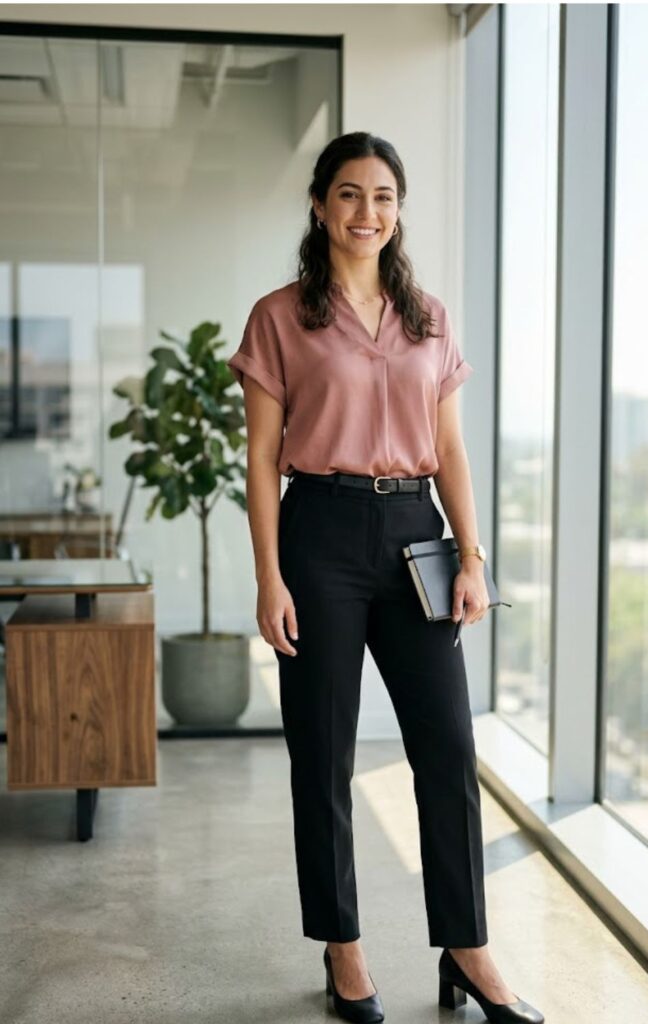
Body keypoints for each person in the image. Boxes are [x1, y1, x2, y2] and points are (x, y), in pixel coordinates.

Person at [227, 132, 544, 1024]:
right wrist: (268, 578)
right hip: (318, 534)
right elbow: (260, 460)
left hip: (414, 534)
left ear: (398, 212)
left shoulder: (427, 318)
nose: (366, 212)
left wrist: (471, 558)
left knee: (446, 748)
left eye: (383, 197)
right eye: (349, 194)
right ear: (320, 205)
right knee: (322, 753)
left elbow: (449, 449)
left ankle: (466, 948)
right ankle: (343, 948)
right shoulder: (278, 316)